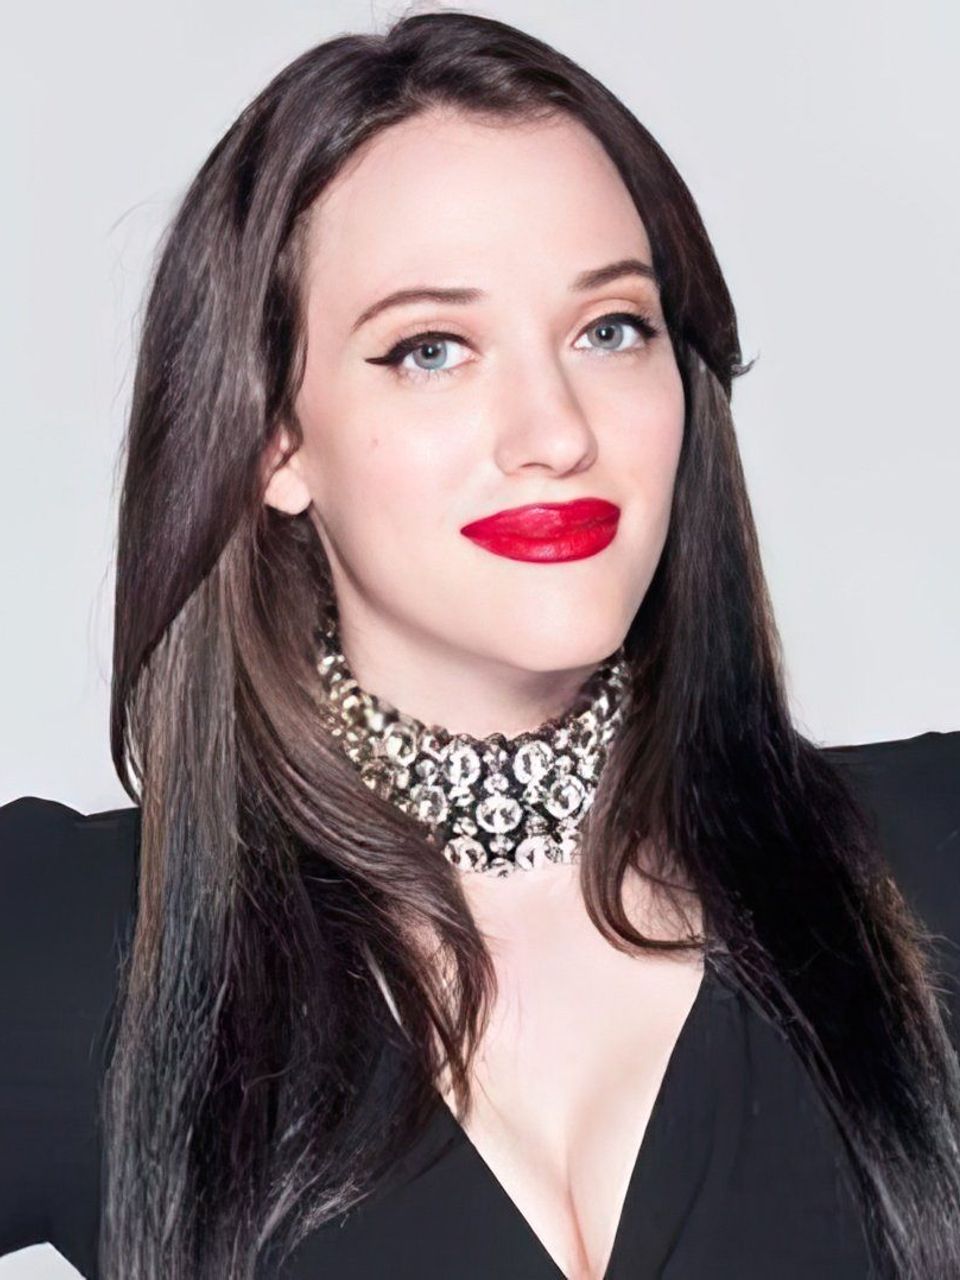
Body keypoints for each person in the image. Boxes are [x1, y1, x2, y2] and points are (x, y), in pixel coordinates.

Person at [2, 10, 959, 1280]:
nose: (556, 430)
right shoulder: (83, 953)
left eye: (610, 328)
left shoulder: (933, 857)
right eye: (431, 349)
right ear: (274, 441)